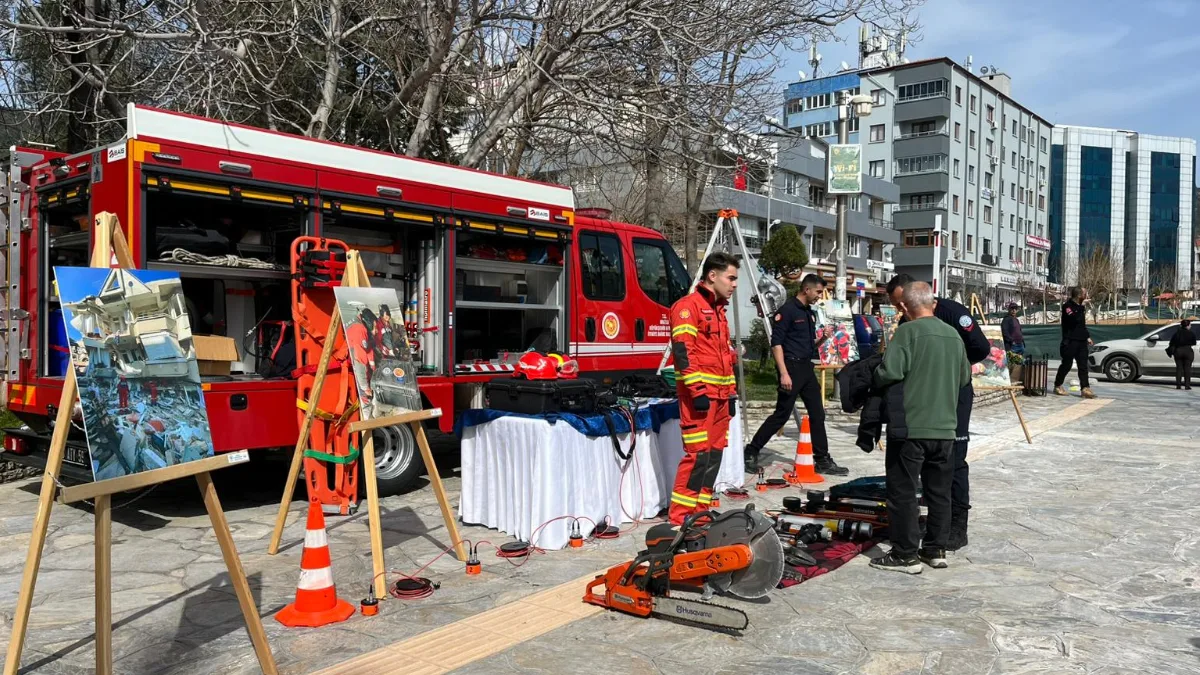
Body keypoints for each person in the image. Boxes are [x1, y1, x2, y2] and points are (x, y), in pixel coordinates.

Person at [869, 281, 971, 574]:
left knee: (902, 491)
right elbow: (964, 377)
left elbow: (891, 371)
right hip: (946, 430)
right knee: (939, 492)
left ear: (903, 306)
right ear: (933, 304)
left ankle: (905, 554)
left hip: (912, 427)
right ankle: (935, 549)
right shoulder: (953, 335)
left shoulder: (907, 332)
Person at [886, 274, 990, 551]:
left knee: (953, 461)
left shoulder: (952, 313)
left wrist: (950, 365)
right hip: (924, 400)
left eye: (902, 303)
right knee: (924, 463)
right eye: (898, 306)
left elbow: (981, 347)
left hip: (954, 393)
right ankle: (929, 526)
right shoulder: (908, 322)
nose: (901, 311)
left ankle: (956, 526)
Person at [744, 274, 847, 476]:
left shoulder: (809, 313)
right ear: (806, 289)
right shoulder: (788, 311)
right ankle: (751, 451)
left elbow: (808, 347)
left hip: (806, 368)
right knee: (781, 415)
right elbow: (777, 344)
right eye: (818, 291)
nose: (819, 296)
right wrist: (783, 373)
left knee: (818, 413)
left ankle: (822, 460)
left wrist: (822, 340)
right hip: (790, 368)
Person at [668, 252, 739, 525]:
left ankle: (700, 512)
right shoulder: (688, 307)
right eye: (730, 278)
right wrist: (697, 391)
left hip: (720, 399)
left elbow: (726, 357)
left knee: (713, 454)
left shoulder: (719, 311)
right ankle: (680, 516)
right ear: (712, 276)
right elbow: (684, 353)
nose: (733, 284)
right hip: (700, 398)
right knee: (697, 456)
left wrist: (731, 394)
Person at [1054, 287, 1095, 399]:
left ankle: (1085, 388)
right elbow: (1074, 319)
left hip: (1081, 341)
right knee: (1067, 365)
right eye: (1085, 294)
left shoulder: (1080, 308)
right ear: (1079, 295)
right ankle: (1058, 385)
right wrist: (1081, 307)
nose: (1086, 296)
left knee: (1083, 365)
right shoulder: (1067, 307)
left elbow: (1081, 324)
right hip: (1070, 341)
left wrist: (1087, 337)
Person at [1168, 318, 1196, 390]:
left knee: (1179, 368)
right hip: (1188, 351)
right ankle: (1187, 385)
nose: (1190, 326)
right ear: (1188, 326)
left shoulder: (1177, 333)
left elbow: (1171, 343)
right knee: (1187, 369)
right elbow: (1194, 343)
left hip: (1178, 351)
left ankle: (1178, 385)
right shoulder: (1191, 333)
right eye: (1190, 325)